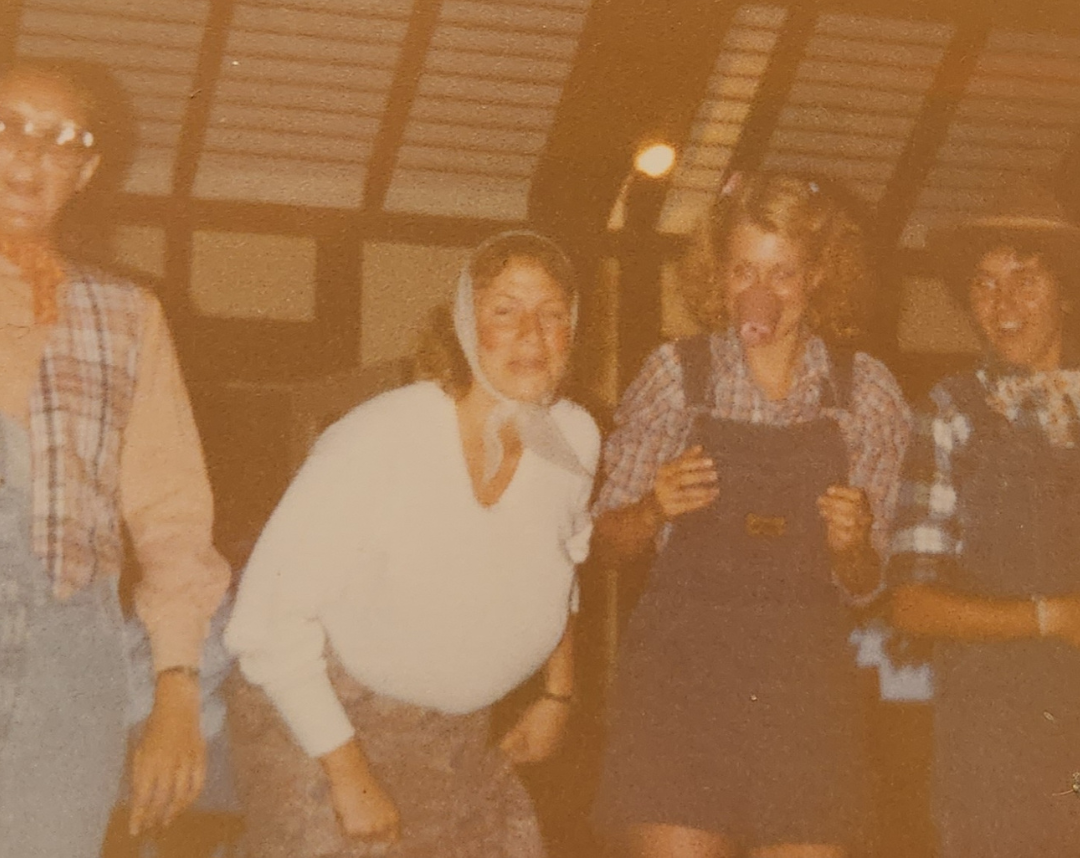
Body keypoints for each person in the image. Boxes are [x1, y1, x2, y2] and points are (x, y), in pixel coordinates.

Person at [224, 231, 601, 857]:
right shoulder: (382, 436)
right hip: (322, 720)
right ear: (462, 325)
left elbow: (567, 565)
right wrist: (348, 774)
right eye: (504, 311)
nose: (532, 335)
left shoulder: (575, 438)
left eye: (552, 314)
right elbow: (268, 621)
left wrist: (557, 694)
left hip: (457, 739)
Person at [593, 172, 911, 858]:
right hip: (681, 680)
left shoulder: (869, 395)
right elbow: (601, 548)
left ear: (819, 275)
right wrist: (652, 507)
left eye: (783, 271)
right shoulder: (676, 375)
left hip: (805, 685)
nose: (759, 293)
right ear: (718, 271)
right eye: (743, 269)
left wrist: (851, 546)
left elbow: (866, 585)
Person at [0, 58, 231, 857]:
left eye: (59, 139)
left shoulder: (130, 316)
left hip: (70, 667)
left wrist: (176, 691)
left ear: (85, 171)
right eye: (8, 128)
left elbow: (172, 520)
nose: (29, 156)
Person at [888, 181, 1080, 857]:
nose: (1002, 306)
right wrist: (1050, 618)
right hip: (993, 742)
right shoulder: (949, 413)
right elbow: (909, 604)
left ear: (1066, 290)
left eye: (1025, 281)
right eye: (985, 284)